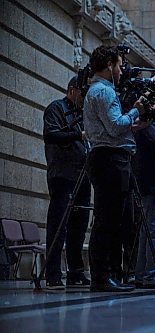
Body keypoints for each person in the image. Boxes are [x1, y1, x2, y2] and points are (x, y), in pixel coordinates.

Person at [83, 45, 152, 292]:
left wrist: (133, 127)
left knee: (111, 219)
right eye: (120, 65)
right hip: (110, 160)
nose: (122, 71)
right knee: (108, 220)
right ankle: (102, 277)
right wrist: (137, 109)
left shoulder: (98, 90)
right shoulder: (104, 91)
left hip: (108, 158)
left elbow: (112, 128)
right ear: (110, 64)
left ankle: (108, 275)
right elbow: (114, 127)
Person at [43, 77, 91, 290]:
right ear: (72, 90)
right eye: (82, 94)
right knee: (58, 225)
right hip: (62, 174)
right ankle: (53, 273)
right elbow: (51, 135)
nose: (84, 100)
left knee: (79, 227)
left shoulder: (82, 114)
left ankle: (75, 272)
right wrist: (77, 134)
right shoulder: (56, 108)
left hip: (83, 174)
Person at [132, 118, 155, 289]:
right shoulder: (149, 128)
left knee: (147, 231)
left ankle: (141, 273)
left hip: (146, 184)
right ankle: (153, 274)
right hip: (154, 185)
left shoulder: (143, 128)